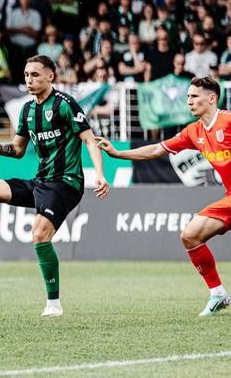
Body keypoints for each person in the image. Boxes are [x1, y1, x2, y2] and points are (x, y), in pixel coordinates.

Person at [0, 54, 109, 317]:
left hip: (66, 183)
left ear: (50, 76)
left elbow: (90, 141)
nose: (29, 80)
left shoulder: (65, 105)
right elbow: (17, 150)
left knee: (39, 235)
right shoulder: (27, 110)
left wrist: (100, 175)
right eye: (26, 75)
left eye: (35, 74)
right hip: (40, 181)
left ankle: (54, 305)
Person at [96, 76, 231, 316]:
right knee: (190, 236)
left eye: (194, 96)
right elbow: (157, 149)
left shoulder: (227, 121)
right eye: (187, 96)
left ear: (212, 99)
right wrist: (118, 153)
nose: (188, 101)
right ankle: (218, 294)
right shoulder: (194, 131)